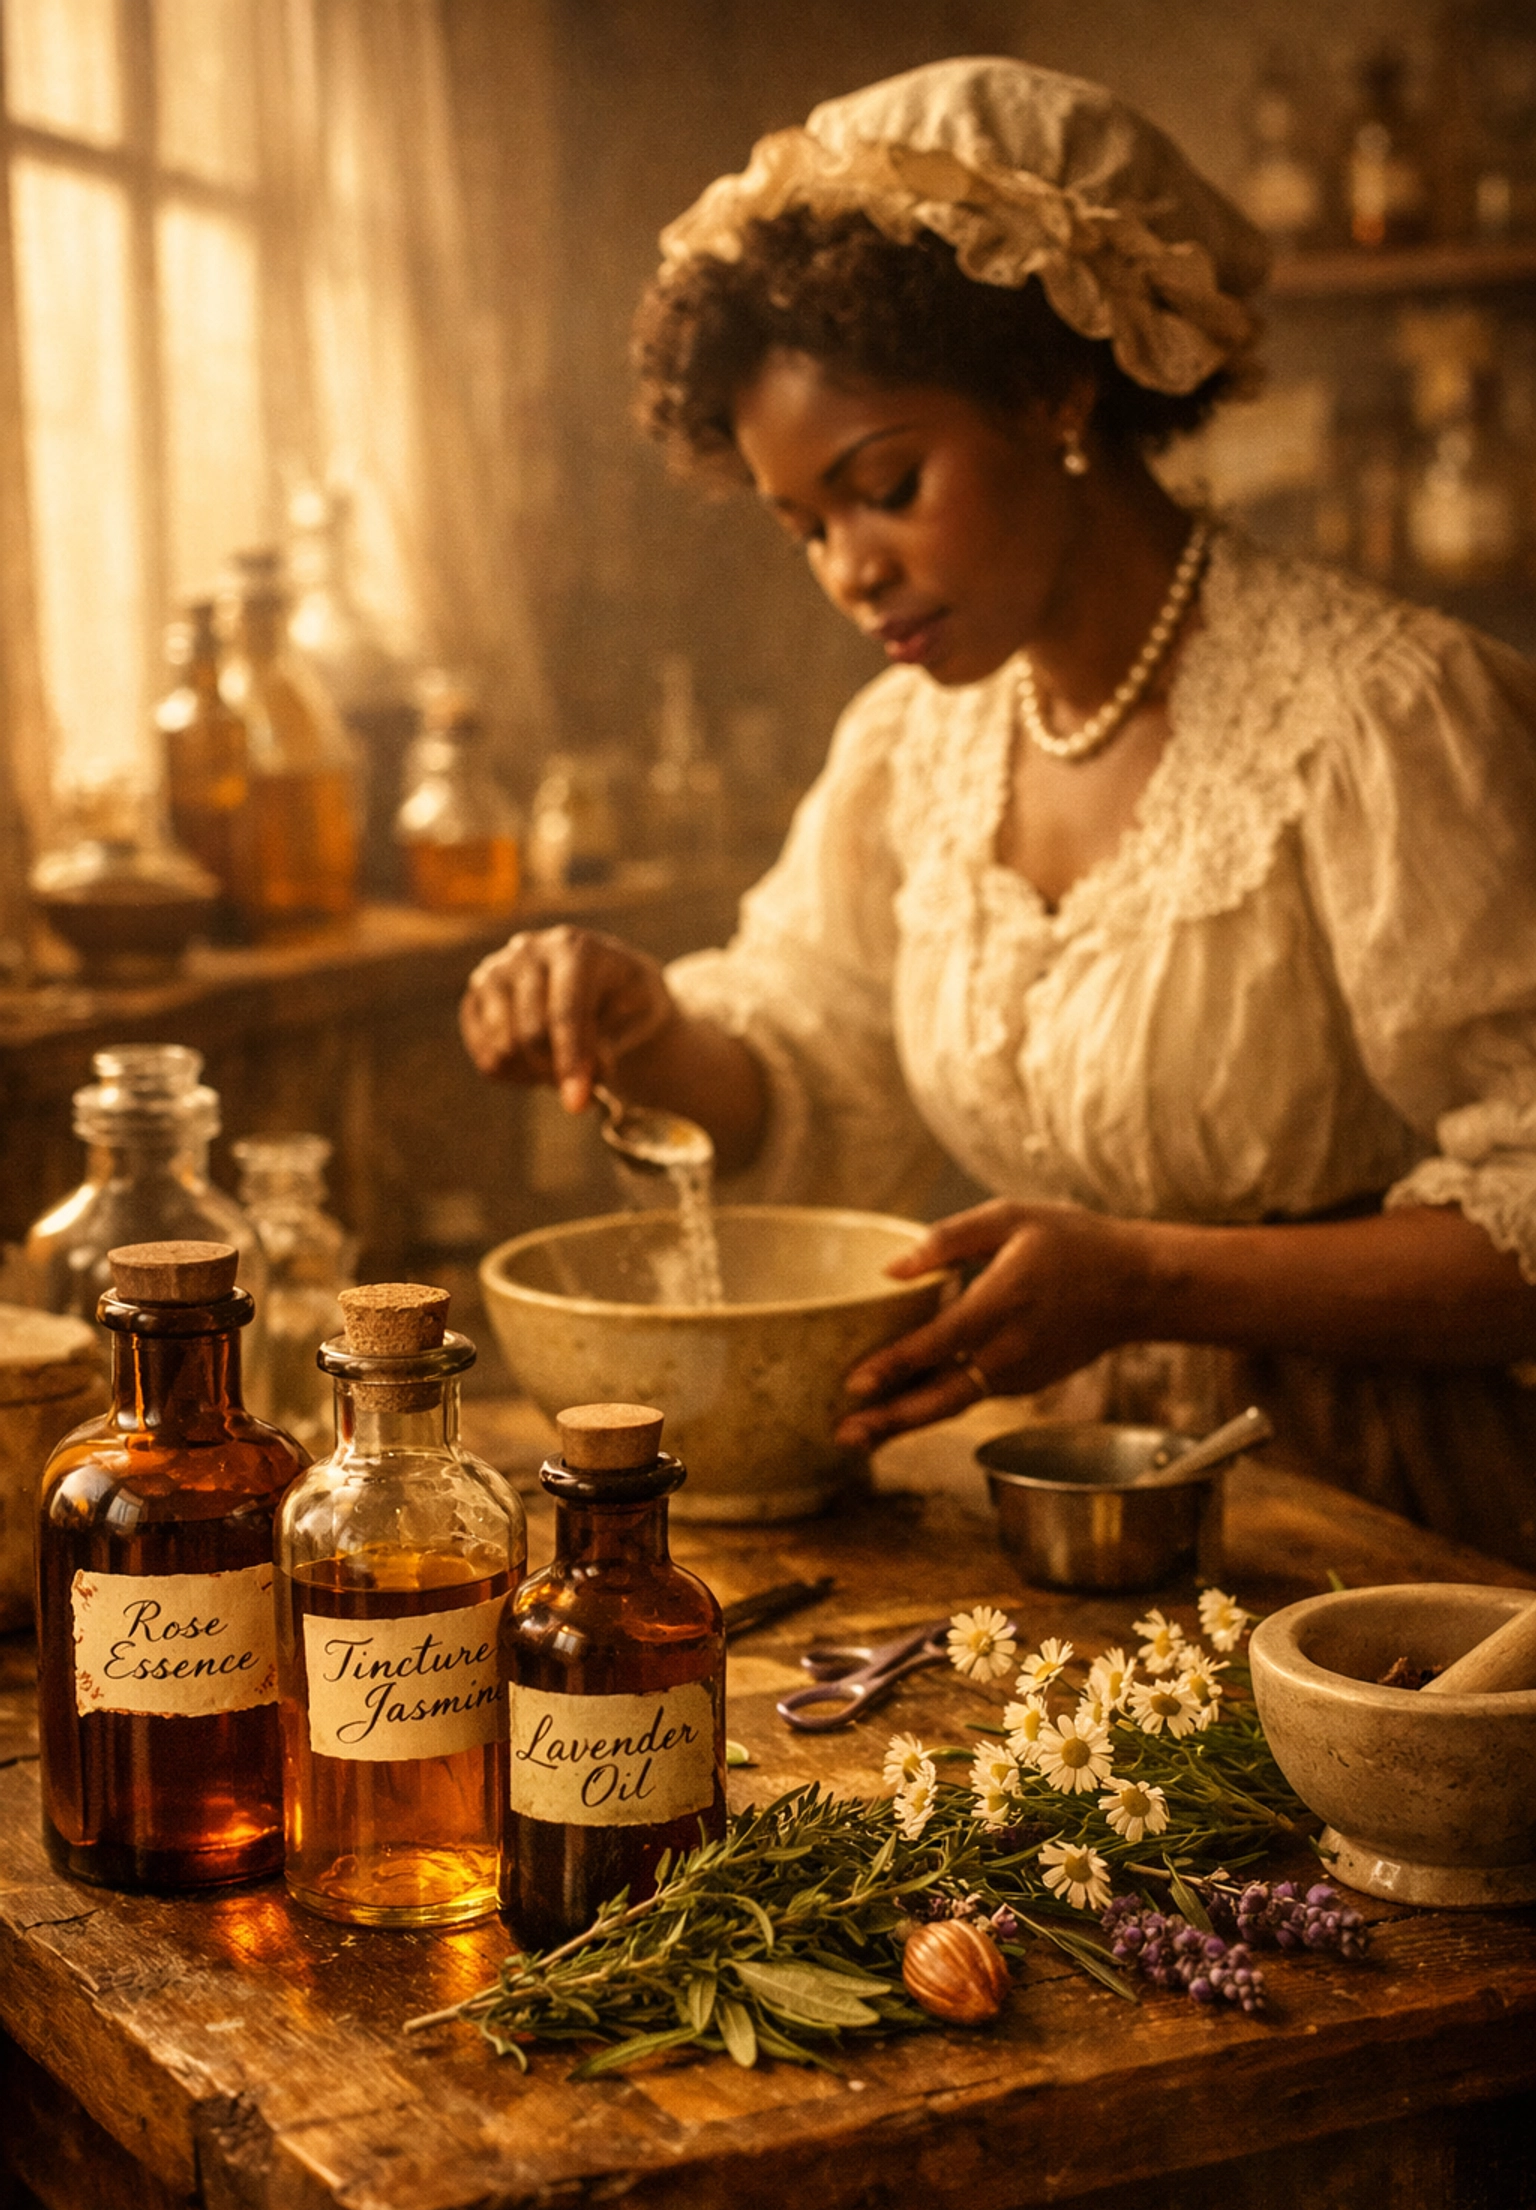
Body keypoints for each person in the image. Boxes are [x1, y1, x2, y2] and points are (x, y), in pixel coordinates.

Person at [461, 57, 1536, 1561]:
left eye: (886, 484)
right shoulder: (916, 744)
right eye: (806, 526)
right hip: (1041, 1487)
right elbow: (816, 1061)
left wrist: (1154, 1280)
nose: (851, 568)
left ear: (1052, 387)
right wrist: (646, 1028)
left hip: (1372, 1504)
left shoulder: (1384, 719)